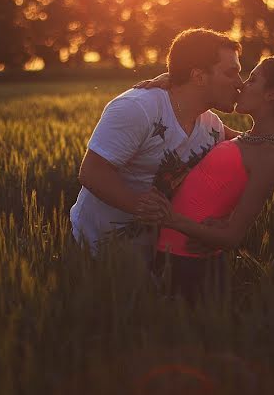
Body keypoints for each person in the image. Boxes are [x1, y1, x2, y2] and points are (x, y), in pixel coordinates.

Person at [139, 56, 274, 303]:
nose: (242, 85)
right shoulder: (245, 139)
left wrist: (171, 219)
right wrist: (172, 82)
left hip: (192, 266)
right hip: (170, 255)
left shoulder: (270, 158)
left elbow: (232, 237)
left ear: (271, 94)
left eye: (253, 79)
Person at [69, 28, 246, 262]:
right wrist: (145, 208)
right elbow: (92, 172)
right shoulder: (137, 107)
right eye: (231, 73)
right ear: (199, 77)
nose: (240, 84)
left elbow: (258, 149)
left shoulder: (211, 124)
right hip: (95, 252)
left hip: (157, 256)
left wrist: (219, 224)